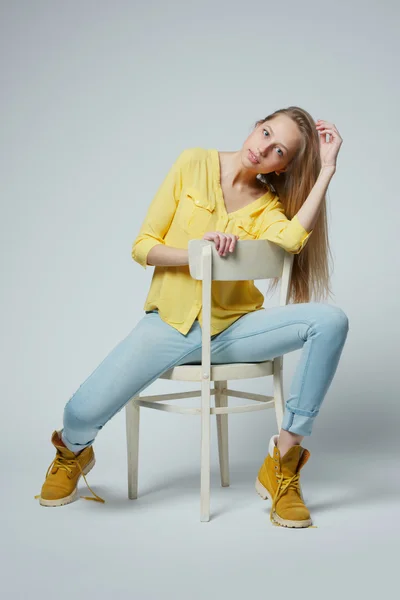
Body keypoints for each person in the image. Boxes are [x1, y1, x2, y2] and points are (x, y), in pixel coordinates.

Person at [36, 106, 349, 528]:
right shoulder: (193, 163)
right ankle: (73, 452)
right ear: (255, 126)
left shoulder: (268, 207)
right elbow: (142, 246)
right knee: (78, 413)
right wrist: (194, 254)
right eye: (266, 133)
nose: (264, 149)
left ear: (283, 166)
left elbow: (292, 241)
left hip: (232, 330)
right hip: (170, 324)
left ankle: (283, 461)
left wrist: (326, 169)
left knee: (330, 321)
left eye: (279, 151)